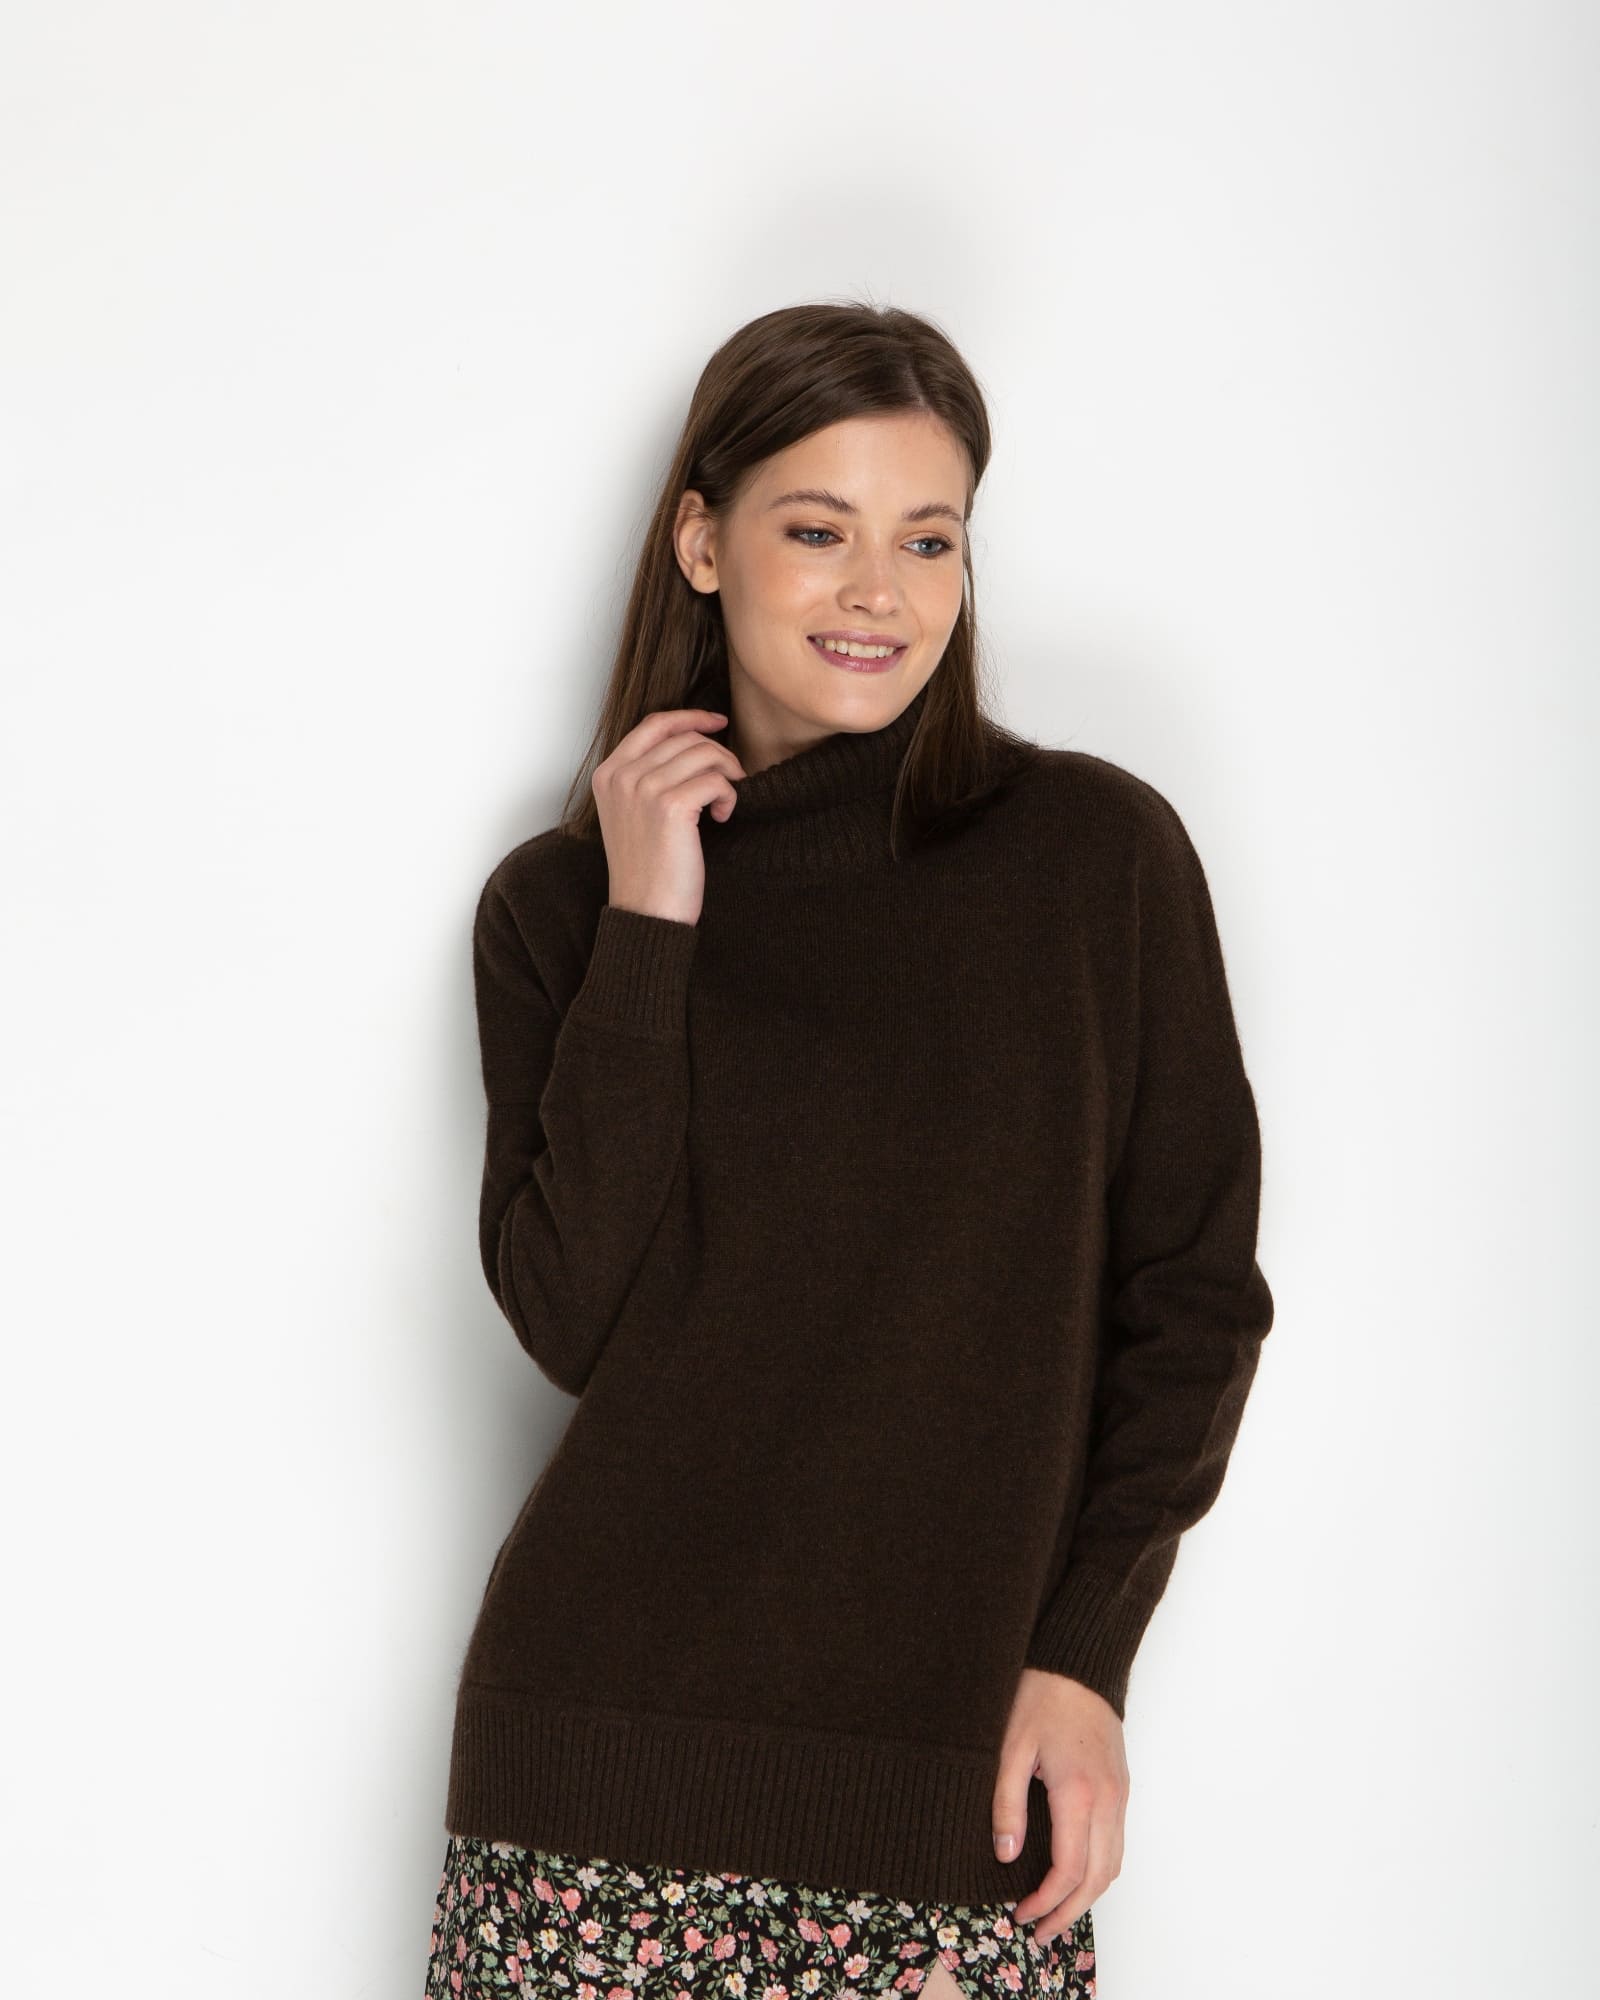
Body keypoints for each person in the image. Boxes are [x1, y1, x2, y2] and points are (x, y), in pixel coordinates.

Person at [425, 300, 1275, 2000]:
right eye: (819, 531)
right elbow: (571, 1317)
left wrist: (1086, 1658)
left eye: (928, 538)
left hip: (951, 1775)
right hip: (593, 1769)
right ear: (702, 544)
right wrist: (651, 924)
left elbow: (1192, 1298)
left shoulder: (1090, 859)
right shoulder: (561, 911)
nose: (880, 591)